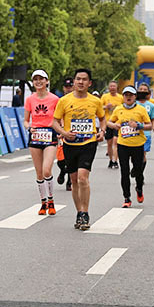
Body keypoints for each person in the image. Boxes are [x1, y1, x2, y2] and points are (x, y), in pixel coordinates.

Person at [51, 68, 105, 231]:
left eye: (84, 79)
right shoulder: (64, 101)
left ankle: (85, 213)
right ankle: (79, 212)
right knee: (74, 180)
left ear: (90, 83)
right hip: (70, 145)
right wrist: (64, 132)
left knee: (83, 178)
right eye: (78, 79)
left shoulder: (95, 101)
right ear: (73, 82)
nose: (80, 82)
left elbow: (102, 119)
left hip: (88, 144)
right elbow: (54, 122)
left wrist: (102, 132)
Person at [106, 86, 152, 207]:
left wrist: (139, 125)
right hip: (123, 145)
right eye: (126, 95)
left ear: (135, 96)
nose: (128, 97)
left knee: (138, 171)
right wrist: (114, 125)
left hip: (137, 145)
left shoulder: (141, 110)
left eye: (131, 95)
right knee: (124, 172)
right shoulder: (118, 109)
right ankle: (127, 198)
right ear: (123, 97)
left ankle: (139, 189)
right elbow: (109, 122)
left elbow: (150, 125)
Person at [24, 70, 59, 216]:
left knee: (46, 170)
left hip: (50, 135)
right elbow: (26, 121)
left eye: (41, 79)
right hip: (35, 136)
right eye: (35, 79)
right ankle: (43, 202)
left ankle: (51, 200)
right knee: (39, 173)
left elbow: (59, 119)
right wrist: (29, 127)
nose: (38, 82)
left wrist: (61, 133)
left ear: (47, 81)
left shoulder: (55, 99)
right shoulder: (30, 99)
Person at [100, 81, 124, 169]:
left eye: (114, 86)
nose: (113, 88)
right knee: (109, 143)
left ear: (117, 87)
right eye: (111, 86)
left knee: (116, 141)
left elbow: (124, 107)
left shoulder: (121, 97)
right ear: (109, 88)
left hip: (117, 123)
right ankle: (111, 160)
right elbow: (99, 107)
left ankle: (115, 160)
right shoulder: (105, 97)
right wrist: (106, 107)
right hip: (108, 122)